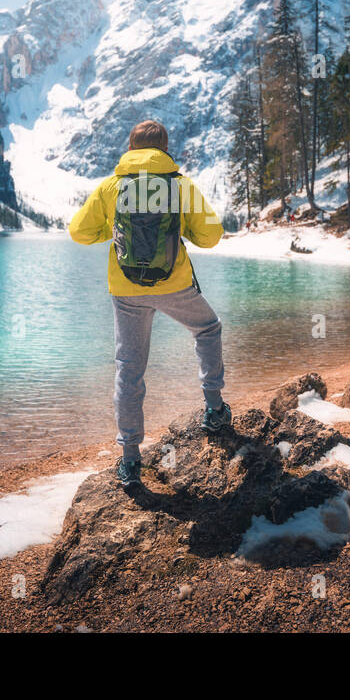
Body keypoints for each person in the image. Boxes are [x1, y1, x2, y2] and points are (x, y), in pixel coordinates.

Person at [68, 120, 229, 489]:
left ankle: (129, 459)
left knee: (129, 368)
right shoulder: (180, 185)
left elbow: (78, 231)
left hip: (126, 290)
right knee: (207, 329)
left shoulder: (112, 187)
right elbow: (212, 235)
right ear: (165, 148)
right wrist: (182, 228)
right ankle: (215, 409)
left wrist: (109, 229)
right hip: (175, 284)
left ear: (130, 147)